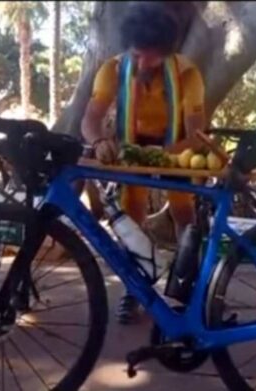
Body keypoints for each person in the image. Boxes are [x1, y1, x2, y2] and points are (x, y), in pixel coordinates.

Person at [81, 4, 223, 324]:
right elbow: (90, 118)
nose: (143, 62)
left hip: (178, 145)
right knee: (133, 216)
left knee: (185, 214)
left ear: (168, 52)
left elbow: (197, 134)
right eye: (137, 53)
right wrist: (99, 141)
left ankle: (194, 286)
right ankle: (136, 289)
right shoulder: (112, 70)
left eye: (152, 56)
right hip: (130, 144)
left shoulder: (187, 73)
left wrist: (164, 155)